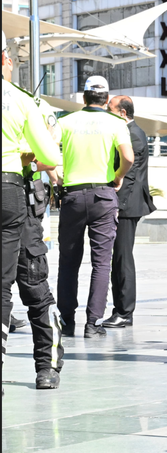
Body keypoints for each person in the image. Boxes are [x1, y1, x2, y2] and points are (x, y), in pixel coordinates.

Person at [1, 30, 63, 390]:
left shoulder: (30, 103)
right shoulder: (23, 101)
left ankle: (48, 364)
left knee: (34, 283)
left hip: (24, 200)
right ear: (6, 60)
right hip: (13, 196)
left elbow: (53, 153)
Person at [55, 76, 134, 338]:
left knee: (68, 262)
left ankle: (67, 322)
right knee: (101, 264)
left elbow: (45, 155)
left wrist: (57, 176)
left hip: (73, 196)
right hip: (103, 194)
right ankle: (92, 324)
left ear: (83, 97)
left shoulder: (66, 121)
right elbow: (128, 157)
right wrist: (118, 176)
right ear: (106, 97)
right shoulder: (115, 122)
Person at [103, 95, 157, 328]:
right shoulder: (131, 132)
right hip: (125, 204)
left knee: (123, 259)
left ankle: (124, 311)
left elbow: (130, 176)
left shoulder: (133, 134)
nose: (106, 113)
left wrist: (117, 206)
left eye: (110, 109)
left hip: (126, 205)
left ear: (123, 113)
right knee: (119, 259)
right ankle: (121, 310)